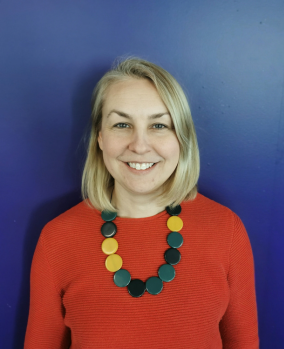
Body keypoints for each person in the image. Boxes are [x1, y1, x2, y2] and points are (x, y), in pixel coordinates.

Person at [24, 58, 259, 348]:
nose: (139, 145)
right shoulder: (57, 239)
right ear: (100, 137)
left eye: (159, 125)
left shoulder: (227, 230)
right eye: (121, 124)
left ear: (181, 139)